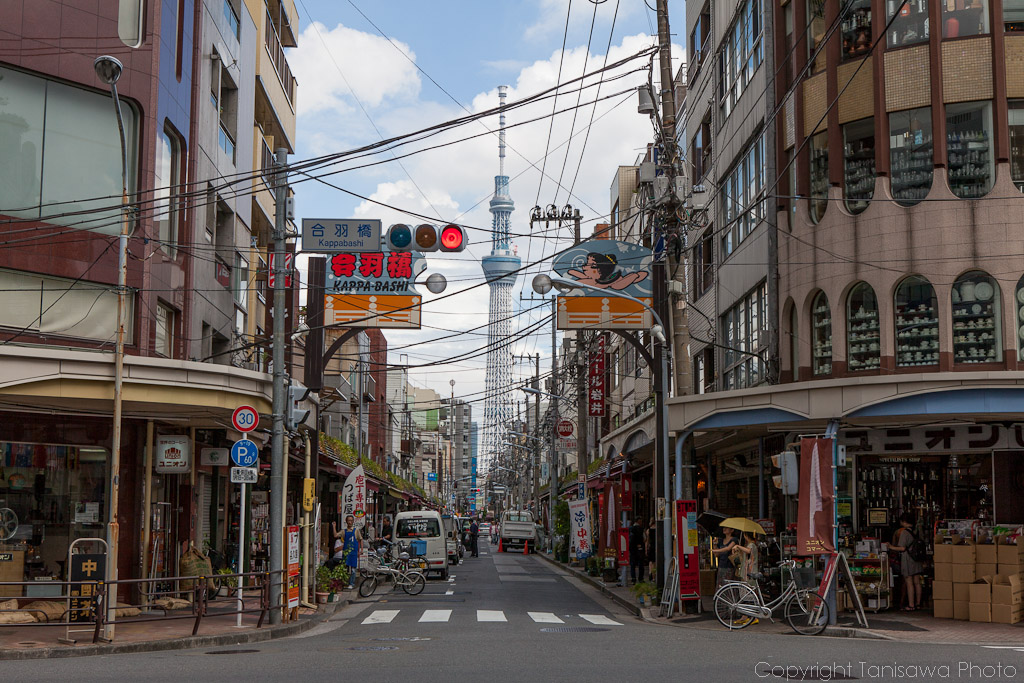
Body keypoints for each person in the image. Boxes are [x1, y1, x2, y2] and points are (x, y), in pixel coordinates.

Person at [889, 512, 924, 611]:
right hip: (917, 558)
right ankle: (918, 604)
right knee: (917, 582)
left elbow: (902, 548)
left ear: (904, 522)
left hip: (908, 559)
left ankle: (911, 605)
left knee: (909, 582)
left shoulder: (904, 532)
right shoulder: (916, 530)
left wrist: (890, 547)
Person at [332, 515, 359, 589]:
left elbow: (360, 540)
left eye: (351, 520)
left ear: (353, 521)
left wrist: (361, 550)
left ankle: (352, 583)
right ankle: (344, 583)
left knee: (353, 570)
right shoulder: (343, 531)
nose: (350, 522)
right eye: (348, 520)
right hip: (346, 552)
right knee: (345, 568)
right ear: (346, 521)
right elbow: (335, 535)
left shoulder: (356, 531)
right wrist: (334, 526)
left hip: (353, 553)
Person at [629, 518, 646, 584]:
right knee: (641, 564)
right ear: (639, 521)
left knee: (632, 564)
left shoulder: (630, 529)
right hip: (640, 549)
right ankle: (641, 578)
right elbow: (645, 539)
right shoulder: (642, 529)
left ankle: (633, 579)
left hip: (632, 549)